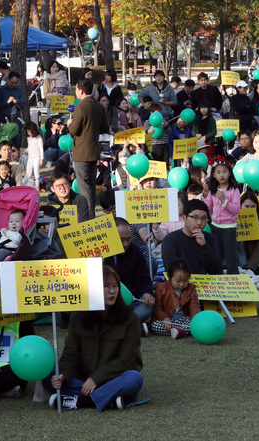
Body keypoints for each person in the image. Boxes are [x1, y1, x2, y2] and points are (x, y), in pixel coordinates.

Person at [49, 265, 143, 411]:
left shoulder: (131, 319)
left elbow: (126, 360)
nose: (112, 291)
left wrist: (96, 379)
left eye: (115, 286)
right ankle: (109, 400)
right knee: (48, 376)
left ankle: (81, 401)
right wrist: (62, 376)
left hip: (113, 378)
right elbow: (70, 354)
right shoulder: (78, 316)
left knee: (135, 379)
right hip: (82, 379)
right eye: (106, 287)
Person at [68, 78, 109, 219]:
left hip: (81, 153)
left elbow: (73, 129)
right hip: (94, 151)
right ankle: (91, 215)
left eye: (76, 89)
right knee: (90, 186)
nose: (75, 92)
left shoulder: (80, 107)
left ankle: (87, 217)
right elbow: (105, 128)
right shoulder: (99, 106)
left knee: (84, 188)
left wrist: (69, 123)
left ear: (81, 90)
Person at [103, 217, 154, 324]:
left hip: (130, 303)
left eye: (128, 239)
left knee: (148, 307)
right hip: (106, 304)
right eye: (121, 240)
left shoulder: (135, 250)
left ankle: (117, 325)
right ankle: (128, 325)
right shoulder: (102, 254)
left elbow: (143, 276)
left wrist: (146, 292)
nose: (125, 244)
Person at [162, 199, 223, 275]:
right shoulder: (170, 240)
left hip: (206, 284)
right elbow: (171, 271)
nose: (199, 223)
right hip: (181, 284)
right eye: (195, 217)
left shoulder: (210, 238)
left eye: (203, 219)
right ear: (184, 218)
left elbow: (217, 271)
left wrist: (204, 246)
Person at [205, 161, 240, 274]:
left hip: (229, 228)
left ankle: (234, 279)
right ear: (214, 175)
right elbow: (207, 205)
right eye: (218, 172)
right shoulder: (213, 190)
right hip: (215, 226)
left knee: (230, 258)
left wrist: (224, 201)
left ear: (230, 173)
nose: (222, 175)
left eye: (225, 172)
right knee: (216, 256)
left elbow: (236, 210)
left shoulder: (234, 190)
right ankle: (217, 277)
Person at [150, 259, 200, 338]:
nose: (181, 284)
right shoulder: (161, 287)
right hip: (166, 320)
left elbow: (195, 307)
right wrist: (165, 318)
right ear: (170, 277)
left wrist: (196, 322)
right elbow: (157, 307)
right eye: (178, 281)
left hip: (183, 320)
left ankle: (178, 331)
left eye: (185, 281)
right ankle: (181, 331)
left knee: (193, 323)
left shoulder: (191, 289)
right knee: (155, 325)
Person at [24, 122, 44, 190]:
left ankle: (37, 187)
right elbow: (29, 147)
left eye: (30, 132)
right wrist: (25, 151)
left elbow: (41, 148)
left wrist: (42, 158)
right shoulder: (29, 138)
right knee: (28, 173)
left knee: (36, 172)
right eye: (27, 132)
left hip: (37, 157)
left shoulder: (38, 138)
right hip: (30, 157)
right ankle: (32, 184)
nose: (29, 134)